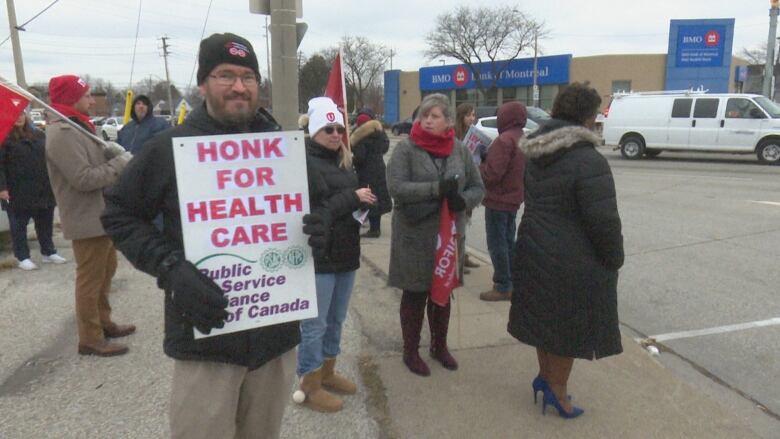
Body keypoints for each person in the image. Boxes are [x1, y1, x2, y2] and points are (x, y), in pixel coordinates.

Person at [101, 33, 304, 439]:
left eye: (248, 76)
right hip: (206, 335)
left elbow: (310, 209)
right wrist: (170, 267)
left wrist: (318, 227)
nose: (239, 87)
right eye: (225, 75)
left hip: (275, 336)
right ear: (203, 83)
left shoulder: (279, 145)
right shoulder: (169, 147)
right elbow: (120, 215)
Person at [507, 82, 624, 419]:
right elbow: (603, 220)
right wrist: (614, 257)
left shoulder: (537, 152)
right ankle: (557, 390)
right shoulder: (588, 161)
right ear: (587, 118)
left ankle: (546, 379)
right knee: (567, 329)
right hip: (572, 258)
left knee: (545, 322)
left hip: (533, 246)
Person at [387, 93, 484, 376]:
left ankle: (439, 347)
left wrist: (462, 201)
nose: (428, 120)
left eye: (435, 116)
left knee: (442, 295)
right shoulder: (406, 149)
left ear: (448, 121)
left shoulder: (459, 150)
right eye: (424, 116)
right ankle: (410, 351)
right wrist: (435, 190)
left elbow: (478, 187)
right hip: (414, 235)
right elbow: (396, 188)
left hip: (448, 238)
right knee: (415, 295)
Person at [293, 97, 376, 413]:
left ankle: (327, 372)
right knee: (315, 324)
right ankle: (309, 382)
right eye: (328, 128)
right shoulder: (303, 164)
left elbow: (345, 205)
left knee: (337, 320)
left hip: (347, 252)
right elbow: (314, 215)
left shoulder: (345, 162)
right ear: (314, 130)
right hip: (321, 256)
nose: (335, 133)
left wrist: (364, 204)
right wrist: (350, 198)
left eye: (339, 128)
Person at [45, 75, 135, 357]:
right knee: (90, 280)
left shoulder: (79, 127)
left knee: (106, 272)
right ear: (71, 98)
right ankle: (90, 338)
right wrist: (120, 163)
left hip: (101, 214)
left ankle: (103, 322)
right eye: (86, 96)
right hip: (85, 218)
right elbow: (83, 179)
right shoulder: (62, 133)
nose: (92, 100)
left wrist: (111, 154)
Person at [0, 111, 66, 270]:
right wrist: (2, 188)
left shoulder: (37, 134)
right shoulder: (4, 138)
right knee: (18, 225)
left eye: (21, 114)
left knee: (45, 221)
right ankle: (22, 257)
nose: (19, 117)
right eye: (15, 115)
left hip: (42, 186)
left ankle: (48, 252)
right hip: (16, 189)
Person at [478, 101, 527, 302]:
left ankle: (503, 285)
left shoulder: (503, 141)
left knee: (497, 243)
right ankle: (512, 280)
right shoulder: (521, 138)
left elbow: (491, 175)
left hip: (498, 199)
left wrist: (481, 163)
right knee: (508, 241)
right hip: (513, 198)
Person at [350, 109, 391, 238]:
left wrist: (351, 160)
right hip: (379, 169)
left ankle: (373, 229)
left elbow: (360, 158)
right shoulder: (379, 134)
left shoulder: (361, 138)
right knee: (376, 199)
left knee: (369, 200)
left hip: (366, 172)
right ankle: (374, 227)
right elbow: (384, 148)